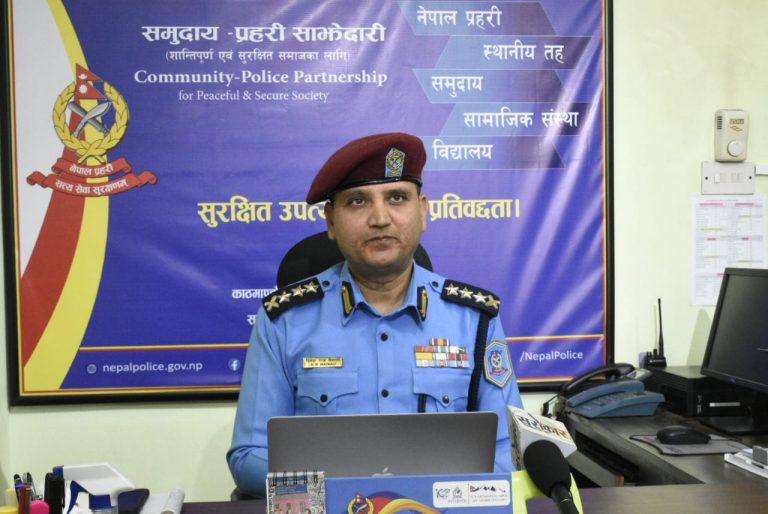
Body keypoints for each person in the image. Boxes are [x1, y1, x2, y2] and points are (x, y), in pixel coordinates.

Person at [227, 132, 523, 497]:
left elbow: (508, 453)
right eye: (358, 201)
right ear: (331, 221)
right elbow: (250, 457)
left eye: (397, 197)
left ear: (423, 211)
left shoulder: (476, 320)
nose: (380, 218)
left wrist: (424, 497)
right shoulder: (283, 321)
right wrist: (353, 495)